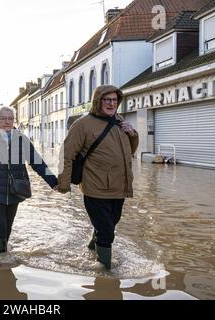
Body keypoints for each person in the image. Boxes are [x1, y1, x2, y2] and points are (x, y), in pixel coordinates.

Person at [57, 85, 138, 270]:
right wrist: (63, 183)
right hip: (95, 189)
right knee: (107, 232)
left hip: (119, 187)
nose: (111, 103)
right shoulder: (83, 124)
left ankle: (92, 249)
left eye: (115, 100)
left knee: (109, 225)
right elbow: (66, 154)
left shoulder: (119, 121)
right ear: (98, 101)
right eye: (107, 99)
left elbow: (128, 152)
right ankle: (104, 273)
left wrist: (132, 134)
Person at [0, 106, 58, 254]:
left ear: (14, 120)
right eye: (3, 118)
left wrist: (54, 182)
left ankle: (3, 249)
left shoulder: (21, 139)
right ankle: (1, 258)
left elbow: (37, 162)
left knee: (8, 225)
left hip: (16, 189)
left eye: (10, 118)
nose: (7, 121)